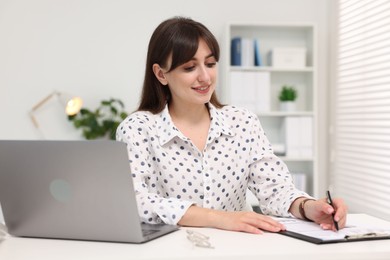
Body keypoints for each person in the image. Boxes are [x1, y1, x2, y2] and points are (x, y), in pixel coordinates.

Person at [116, 16, 347, 234]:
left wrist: (308, 207)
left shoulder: (242, 122)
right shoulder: (138, 129)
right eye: (189, 67)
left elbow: (274, 189)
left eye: (210, 63)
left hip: (237, 250)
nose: (205, 77)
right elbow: (137, 201)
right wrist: (220, 218)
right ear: (161, 74)